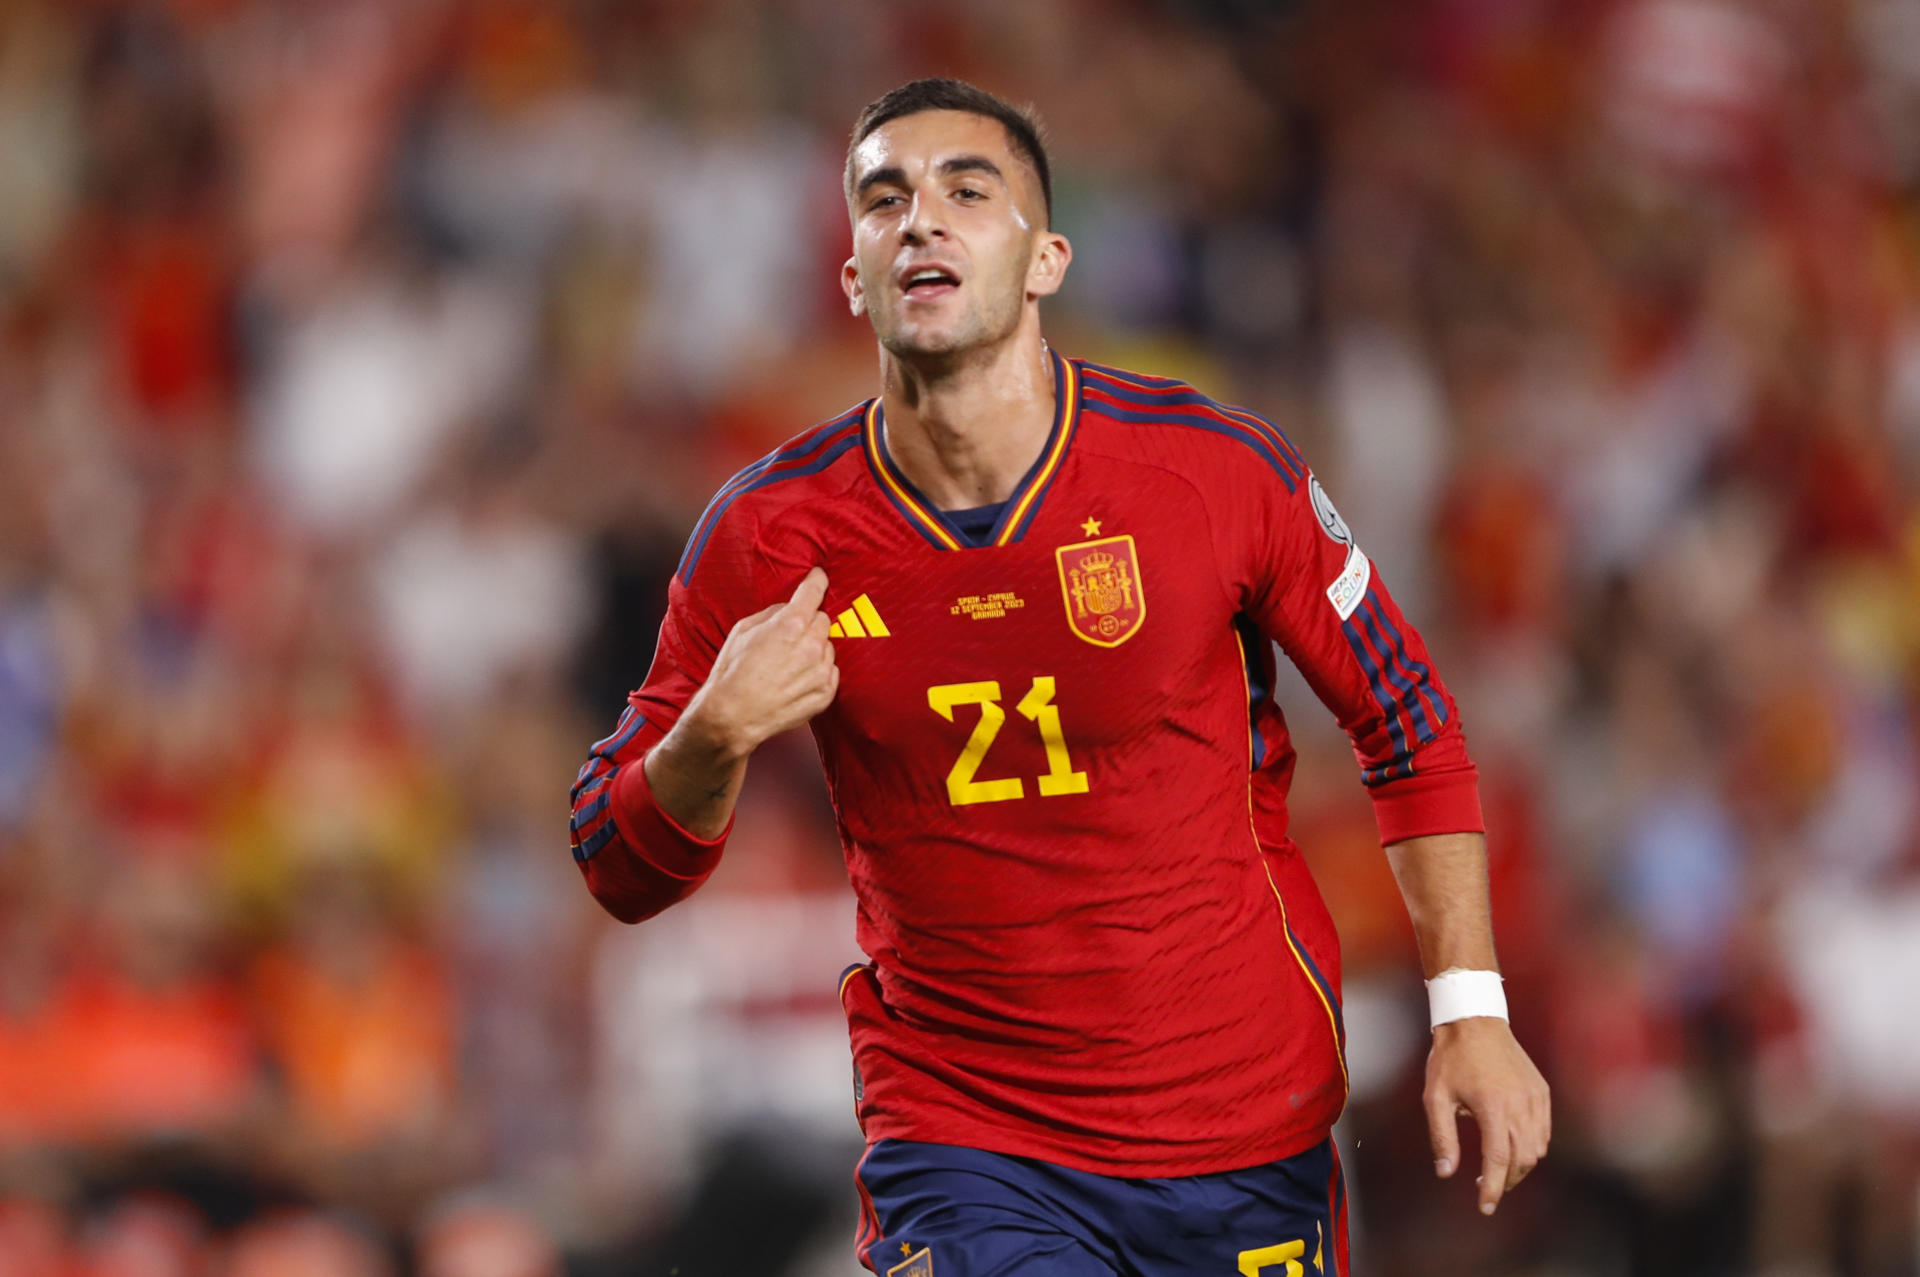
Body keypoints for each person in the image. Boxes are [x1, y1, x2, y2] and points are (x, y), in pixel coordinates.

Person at [568, 77, 1550, 1276]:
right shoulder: (769, 533)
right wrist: (710, 736)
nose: (918, 219)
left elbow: (1409, 723)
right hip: (968, 1137)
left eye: (965, 191)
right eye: (884, 200)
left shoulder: (1210, 474)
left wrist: (1471, 1012)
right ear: (853, 277)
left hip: (1237, 1122)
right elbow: (615, 862)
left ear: (1046, 261)